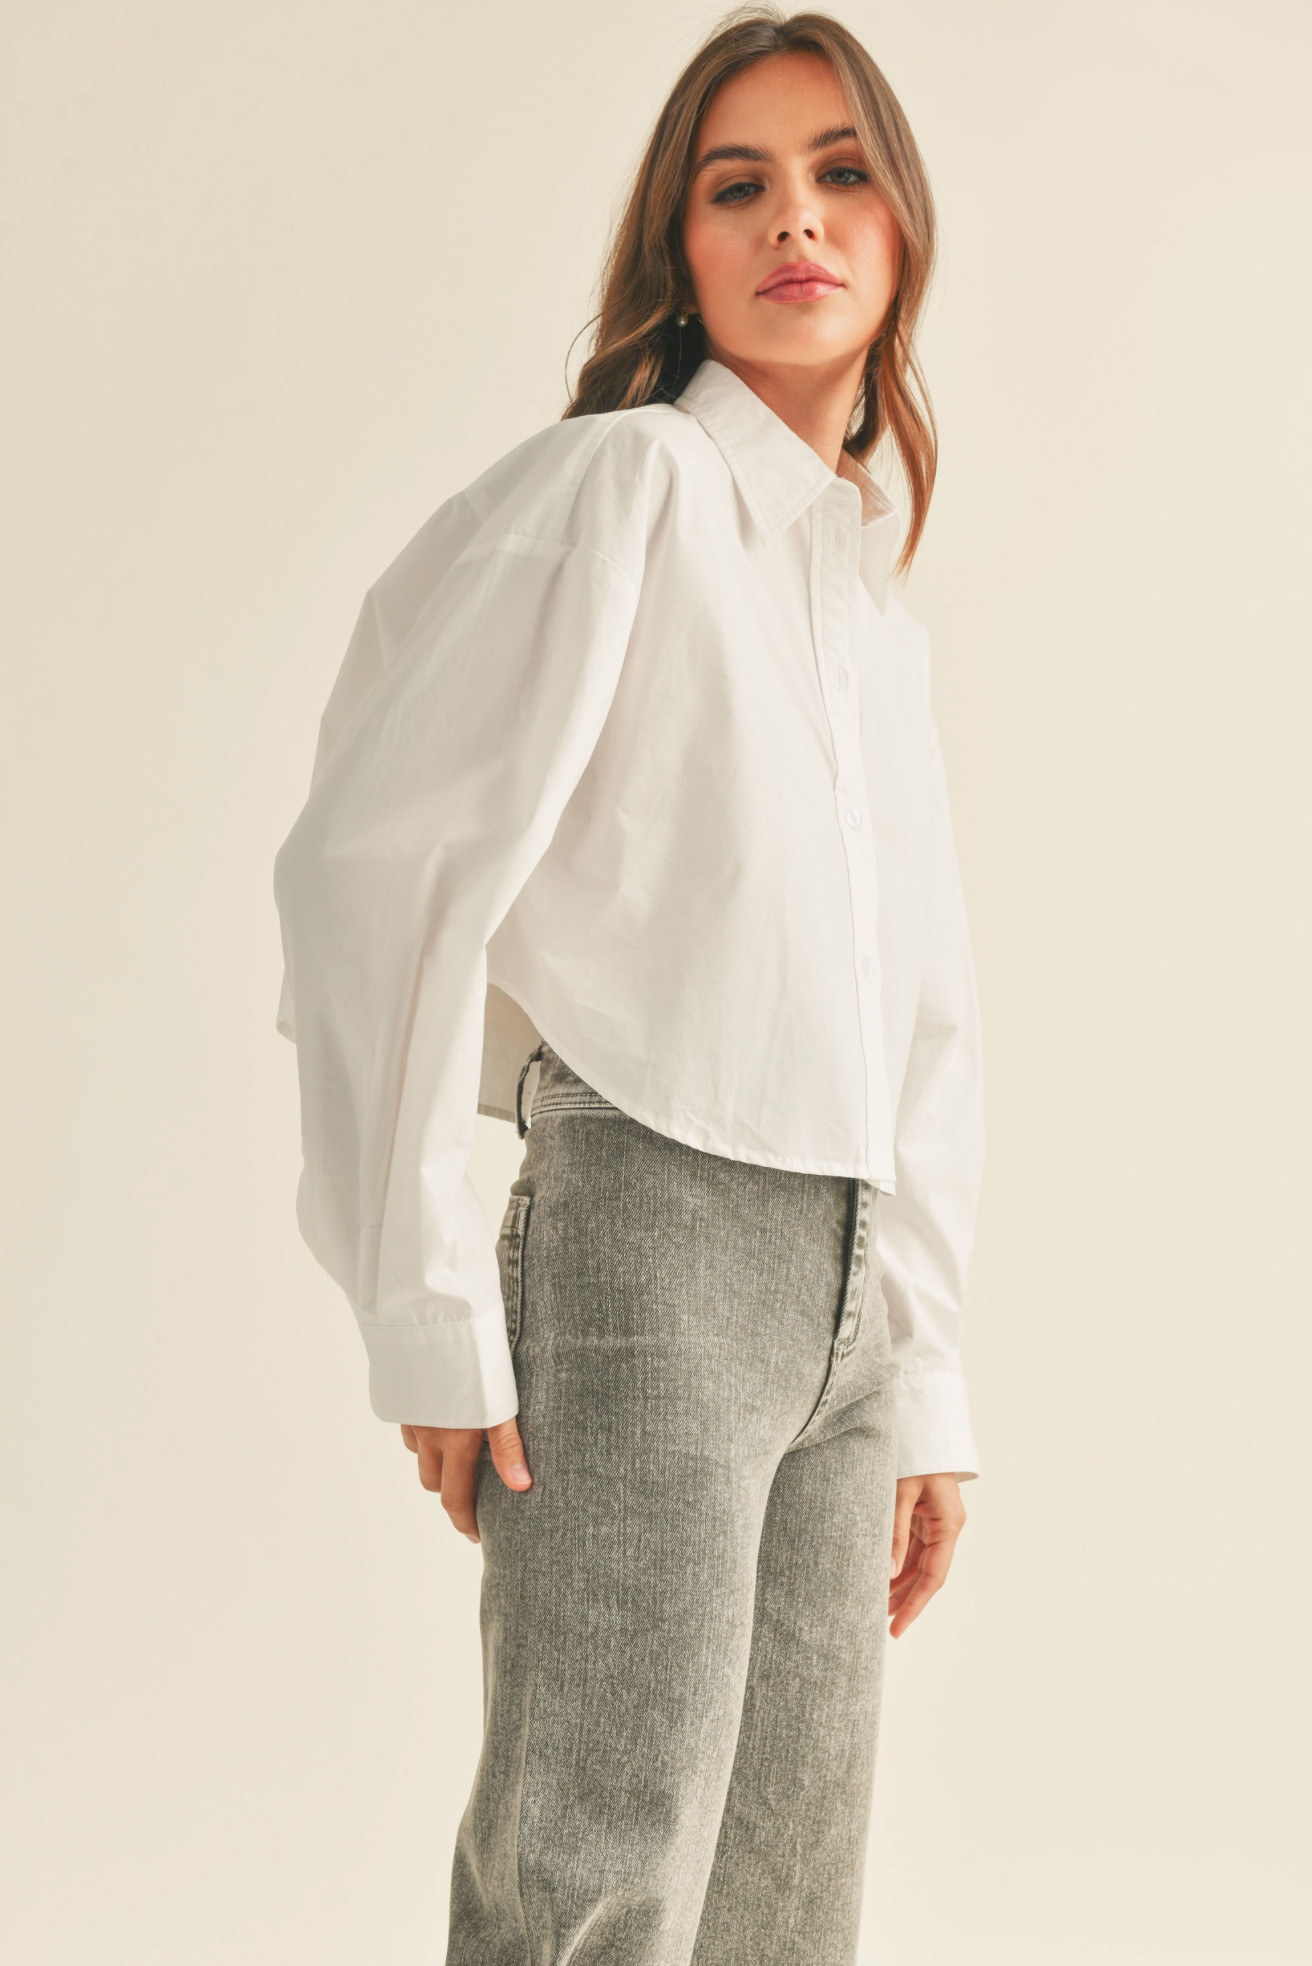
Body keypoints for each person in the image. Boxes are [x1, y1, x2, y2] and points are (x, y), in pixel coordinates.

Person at [272, 8, 986, 1961]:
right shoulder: (631, 490)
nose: (794, 220)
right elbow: (377, 865)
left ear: (902, 227)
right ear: (677, 246)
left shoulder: (870, 615)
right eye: (735, 186)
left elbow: (920, 1016)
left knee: (783, 1910)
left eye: (839, 173)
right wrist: (425, 1298)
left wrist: (921, 1367)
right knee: (593, 1879)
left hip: (846, 1284)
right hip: (647, 1248)